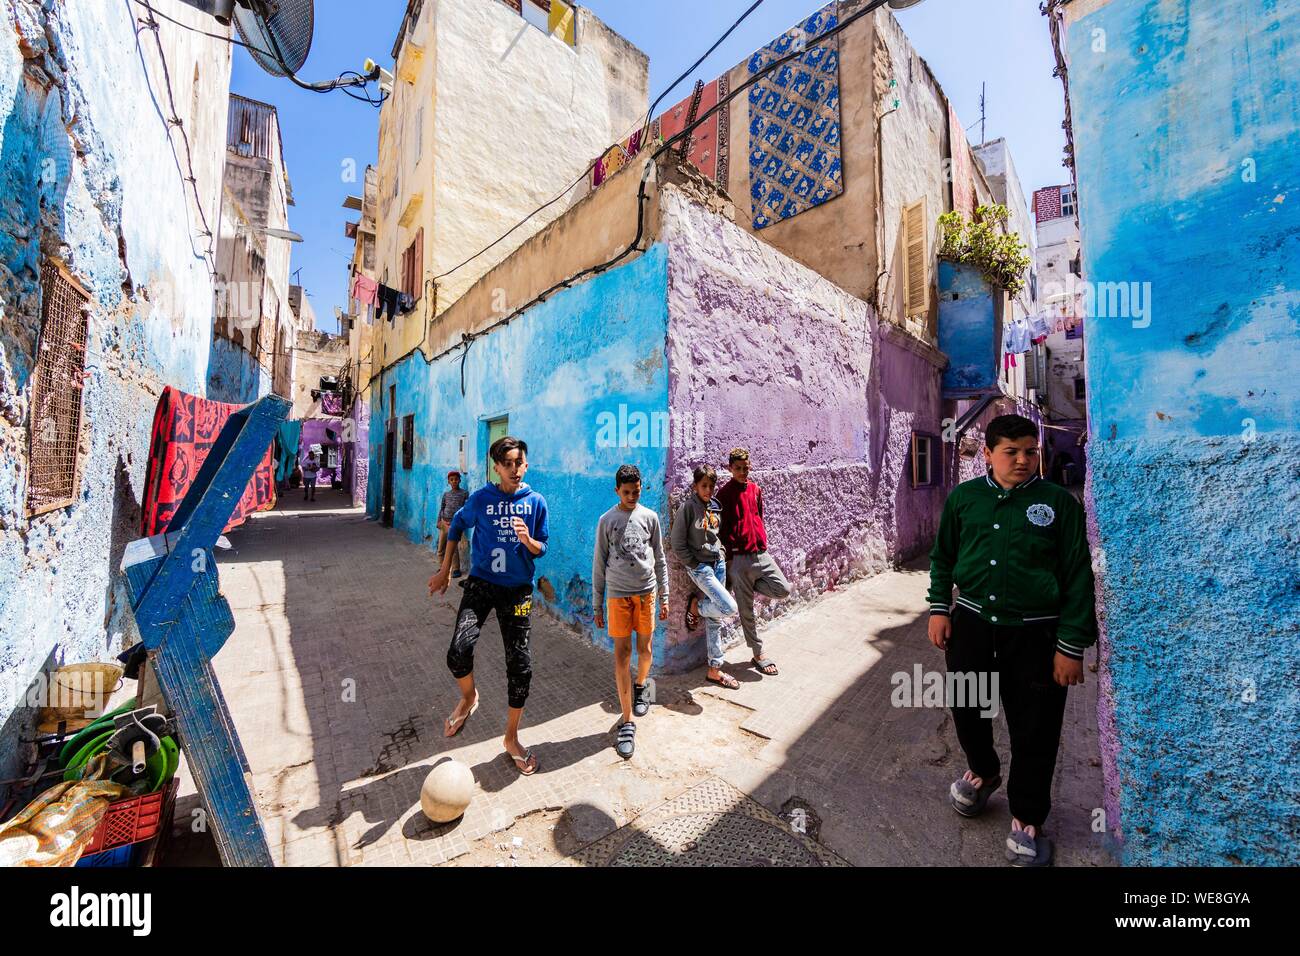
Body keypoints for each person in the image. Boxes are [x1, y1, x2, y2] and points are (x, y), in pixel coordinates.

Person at [927, 414, 1096, 867]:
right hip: (972, 625)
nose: (1023, 460)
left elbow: (1078, 575)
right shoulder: (965, 499)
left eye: (1030, 452)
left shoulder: (1059, 504)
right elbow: (943, 558)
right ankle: (983, 772)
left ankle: (1027, 816)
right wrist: (940, 608)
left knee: (1034, 727)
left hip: (1036, 634)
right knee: (968, 709)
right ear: (987, 454)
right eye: (1011, 452)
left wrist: (1070, 646)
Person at [428, 436, 549, 776]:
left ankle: (511, 738)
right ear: (496, 467)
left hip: (517, 592)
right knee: (458, 651)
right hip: (481, 584)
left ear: (526, 465)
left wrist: (528, 540)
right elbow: (455, 526)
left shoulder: (536, 502)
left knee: (521, 665)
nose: (514, 469)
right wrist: (444, 571)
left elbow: (542, 547)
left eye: (518, 463)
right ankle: (469, 698)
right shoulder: (481, 498)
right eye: (506, 463)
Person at [592, 464, 668, 759]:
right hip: (618, 595)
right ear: (617, 491)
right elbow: (599, 563)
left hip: (646, 593)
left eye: (636, 491)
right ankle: (626, 722)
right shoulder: (606, 520)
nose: (632, 497)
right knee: (622, 656)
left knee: (645, 650)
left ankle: (642, 688)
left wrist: (665, 596)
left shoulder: (650, 517)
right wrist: (597, 603)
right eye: (626, 492)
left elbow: (659, 557)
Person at [715, 448, 791, 677]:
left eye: (745, 468)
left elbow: (759, 516)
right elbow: (720, 528)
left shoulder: (756, 490)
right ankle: (758, 654)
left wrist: (761, 540)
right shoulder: (724, 494)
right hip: (738, 558)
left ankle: (746, 587)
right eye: (738, 468)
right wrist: (730, 561)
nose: (742, 472)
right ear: (730, 468)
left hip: (761, 554)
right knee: (747, 611)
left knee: (783, 589)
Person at [670, 465, 739, 689]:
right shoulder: (688, 508)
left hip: (718, 564)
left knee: (715, 619)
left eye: (711, 486)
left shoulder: (715, 507)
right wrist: (694, 564)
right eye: (704, 486)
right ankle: (697, 608)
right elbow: (677, 543)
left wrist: (721, 552)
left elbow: (715, 535)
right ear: (695, 486)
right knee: (728, 607)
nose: (708, 490)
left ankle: (714, 670)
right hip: (701, 568)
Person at [436, 471, 470, 578]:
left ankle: (455, 569)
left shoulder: (464, 493)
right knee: (441, 547)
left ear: (459, 480)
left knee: (453, 548)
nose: (454, 481)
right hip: (444, 523)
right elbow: (442, 508)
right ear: (448, 482)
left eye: (456, 479)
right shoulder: (446, 495)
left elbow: (466, 509)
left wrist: (460, 521)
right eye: (451, 480)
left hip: (454, 524)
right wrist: (439, 521)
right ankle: (442, 568)